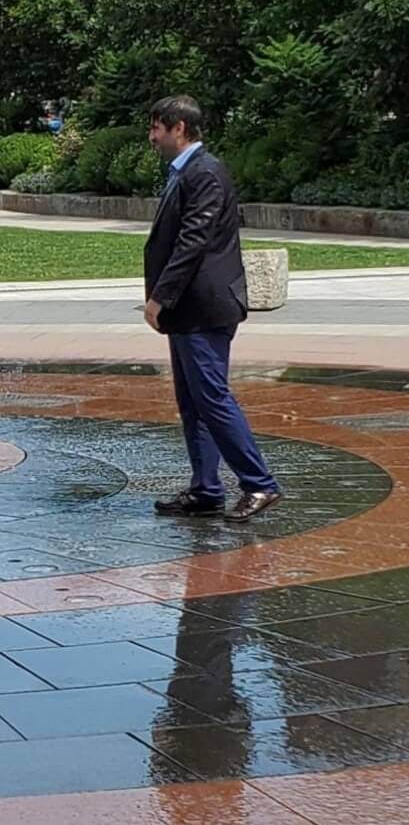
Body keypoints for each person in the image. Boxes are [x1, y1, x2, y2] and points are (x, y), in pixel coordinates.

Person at [143, 95, 281, 523]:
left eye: (156, 128)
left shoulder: (205, 173)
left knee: (213, 399)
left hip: (203, 308)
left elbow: (193, 242)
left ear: (178, 128)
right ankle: (206, 489)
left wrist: (160, 296)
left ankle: (259, 484)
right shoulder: (188, 172)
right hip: (190, 310)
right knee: (194, 401)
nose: (151, 137)